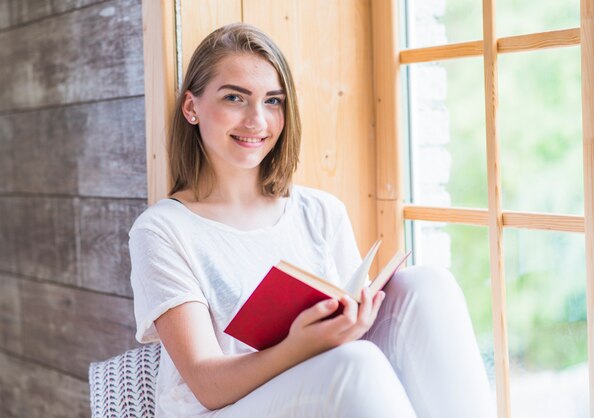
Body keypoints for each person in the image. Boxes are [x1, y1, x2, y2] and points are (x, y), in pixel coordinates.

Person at [129, 23, 493, 418]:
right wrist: (298, 347)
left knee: (428, 283)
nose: (257, 120)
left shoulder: (320, 212)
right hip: (223, 409)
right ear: (191, 107)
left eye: (273, 101)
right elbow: (206, 384)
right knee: (356, 365)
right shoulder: (163, 230)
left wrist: (354, 321)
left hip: (319, 386)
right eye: (235, 97)